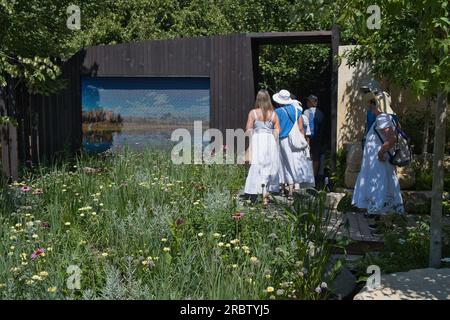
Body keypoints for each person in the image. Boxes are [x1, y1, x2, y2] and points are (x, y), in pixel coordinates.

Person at [352, 98, 404, 224]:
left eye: (372, 106)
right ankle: (380, 217)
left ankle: (378, 219)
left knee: (379, 185)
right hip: (378, 162)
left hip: (379, 162)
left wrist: (380, 153)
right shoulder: (387, 118)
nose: (370, 109)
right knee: (383, 185)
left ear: (378, 106)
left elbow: (391, 139)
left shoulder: (382, 118)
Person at [244, 89, 281, 206]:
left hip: (257, 140)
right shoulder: (274, 114)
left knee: (257, 166)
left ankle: (255, 193)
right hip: (269, 141)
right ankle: (265, 195)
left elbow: (248, 129)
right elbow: (277, 130)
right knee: (268, 166)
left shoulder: (253, 113)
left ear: (258, 99)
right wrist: (271, 138)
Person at [273, 89, 308, 200]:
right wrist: (304, 140)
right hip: (294, 141)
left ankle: (282, 189)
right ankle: (291, 191)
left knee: (281, 164)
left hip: (282, 140)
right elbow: (301, 127)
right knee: (292, 164)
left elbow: (275, 129)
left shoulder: (277, 112)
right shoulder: (297, 110)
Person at [303, 95, 325, 182]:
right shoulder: (321, 114)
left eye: (308, 101)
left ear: (311, 102)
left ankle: (309, 178)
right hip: (318, 139)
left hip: (308, 138)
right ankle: (314, 177)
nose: (307, 103)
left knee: (309, 157)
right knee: (316, 158)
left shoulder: (306, 112)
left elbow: (304, 126)